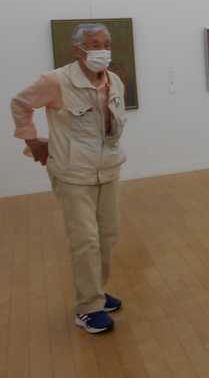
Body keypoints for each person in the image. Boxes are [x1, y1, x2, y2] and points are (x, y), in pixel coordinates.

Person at [10, 24, 127, 334]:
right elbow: (20, 104)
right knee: (85, 240)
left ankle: (97, 292)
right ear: (78, 50)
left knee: (107, 236)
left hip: (108, 169)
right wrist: (33, 141)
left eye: (106, 43)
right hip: (73, 174)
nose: (102, 50)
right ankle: (88, 308)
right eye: (94, 44)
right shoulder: (56, 81)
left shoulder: (114, 81)